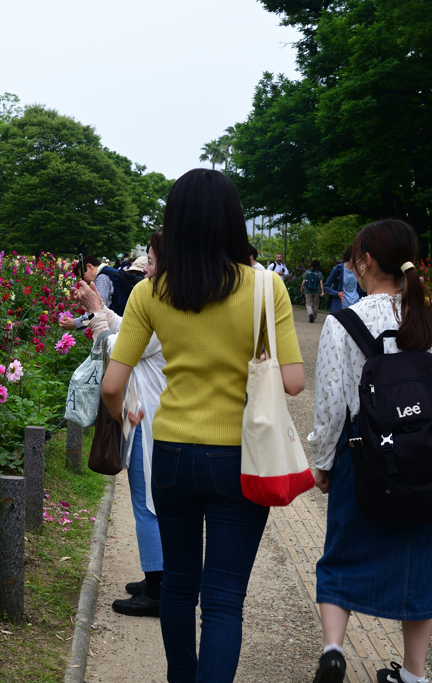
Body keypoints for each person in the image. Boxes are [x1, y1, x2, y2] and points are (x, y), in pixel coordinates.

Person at [101, 169, 305, 683]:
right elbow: (296, 382)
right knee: (222, 601)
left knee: (178, 587)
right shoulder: (266, 286)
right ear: (232, 221)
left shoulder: (152, 292)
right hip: (241, 458)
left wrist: (123, 418)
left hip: (170, 452)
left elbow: (111, 385)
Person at [308, 219, 432, 683]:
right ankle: (415, 675)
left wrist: (322, 464)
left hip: (363, 455)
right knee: (421, 564)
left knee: (341, 552)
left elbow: (331, 404)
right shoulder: (426, 318)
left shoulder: (345, 323)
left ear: (365, 262)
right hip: (424, 458)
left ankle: (334, 651)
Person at [76, 234, 165, 618]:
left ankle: (159, 588)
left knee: (147, 503)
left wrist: (97, 310)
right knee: (149, 500)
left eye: (151, 260)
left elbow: (120, 347)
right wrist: (106, 314)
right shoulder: (170, 298)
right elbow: (129, 328)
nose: (145, 267)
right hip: (151, 408)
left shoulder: (164, 302)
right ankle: (157, 577)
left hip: (146, 412)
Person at [325, 247, 366, 313]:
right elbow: (326, 286)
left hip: (355, 306)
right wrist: (337, 293)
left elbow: (359, 289)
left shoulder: (358, 270)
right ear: (350, 256)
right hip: (341, 306)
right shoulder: (338, 269)